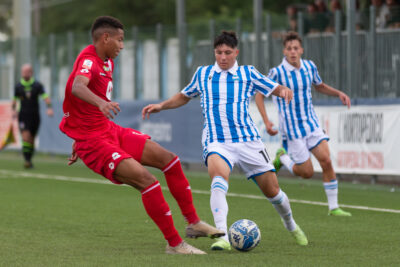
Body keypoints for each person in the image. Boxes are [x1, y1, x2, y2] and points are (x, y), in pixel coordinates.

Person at [59, 16, 224, 255]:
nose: (122, 46)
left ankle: (194, 223)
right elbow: (77, 86)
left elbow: (79, 104)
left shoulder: (106, 60)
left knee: (170, 160)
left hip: (107, 130)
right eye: (119, 40)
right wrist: (99, 107)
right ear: (105, 38)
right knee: (147, 181)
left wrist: (79, 129)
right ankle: (175, 244)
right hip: (94, 142)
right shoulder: (89, 60)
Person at [142, 31, 308, 251]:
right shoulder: (203, 74)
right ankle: (223, 236)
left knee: (274, 192)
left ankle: (291, 225)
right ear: (214, 52)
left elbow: (274, 88)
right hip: (217, 141)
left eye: (227, 53)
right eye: (219, 52)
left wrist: (283, 90)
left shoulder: (248, 73)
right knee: (218, 180)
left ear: (236, 52)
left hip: (248, 141)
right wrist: (162, 105)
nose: (223, 57)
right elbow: (184, 95)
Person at [255, 31, 352, 217]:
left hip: (311, 124)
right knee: (307, 173)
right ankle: (283, 158)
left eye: (296, 48)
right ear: (284, 51)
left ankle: (334, 207)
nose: (293, 52)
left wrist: (338, 93)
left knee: (327, 160)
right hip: (292, 131)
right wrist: (267, 121)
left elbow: (319, 86)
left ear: (302, 50)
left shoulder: (309, 66)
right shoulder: (277, 72)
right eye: (289, 48)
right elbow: (259, 94)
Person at [11, 63, 54, 169]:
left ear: (31, 72)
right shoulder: (18, 86)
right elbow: (14, 100)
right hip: (23, 115)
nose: (25, 74)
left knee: (31, 139)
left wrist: (49, 107)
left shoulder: (37, 85)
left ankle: (29, 160)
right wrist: (13, 110)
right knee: (25, 137)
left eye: (27, 71)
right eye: (23, 72)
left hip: (35, 115)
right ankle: (27, 160)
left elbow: (46, 97)